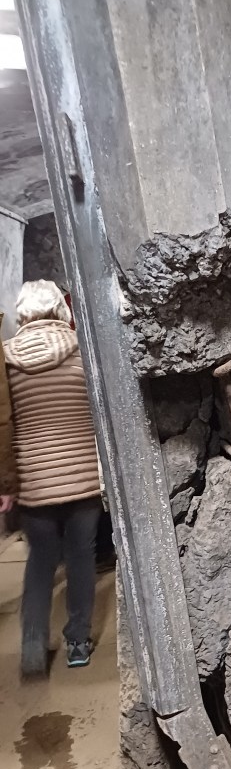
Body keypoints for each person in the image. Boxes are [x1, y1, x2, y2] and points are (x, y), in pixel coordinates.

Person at [1, 280, 103, 674]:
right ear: (61, 308)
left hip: (34, 482)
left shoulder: (6, 360)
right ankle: (77, 643)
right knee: (80, 558)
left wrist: (7, 482)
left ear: (22, 313)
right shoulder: (83, 351)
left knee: (40, 561)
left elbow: (4, 424)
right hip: (82, 479)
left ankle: (32, 647)